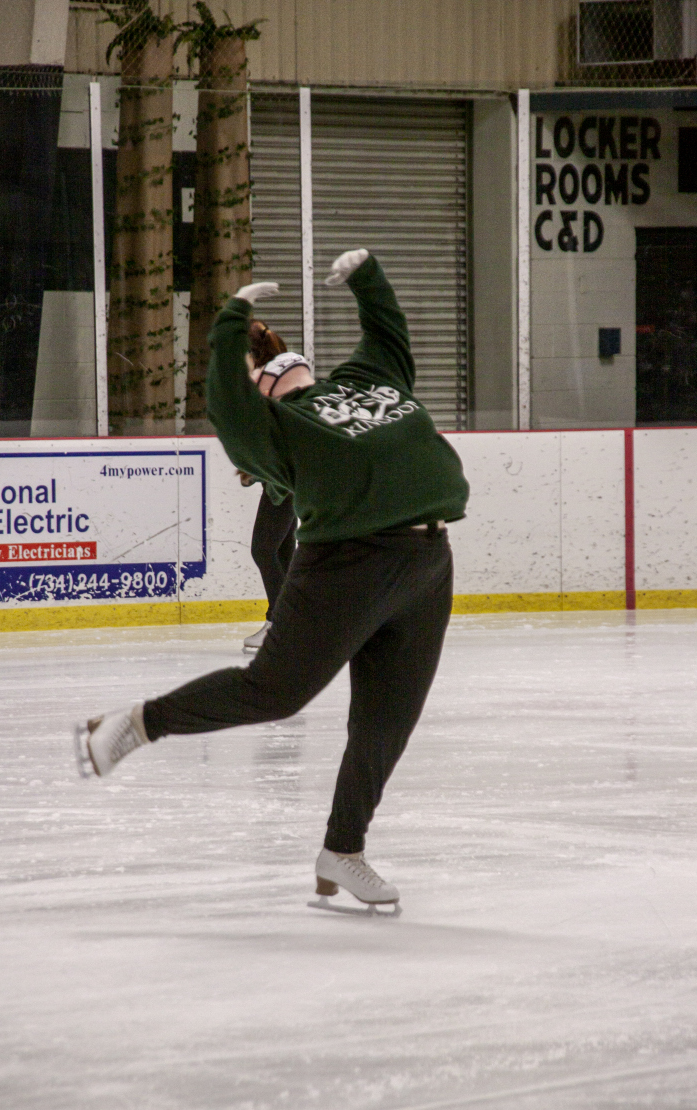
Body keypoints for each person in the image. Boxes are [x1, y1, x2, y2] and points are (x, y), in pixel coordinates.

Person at [75, 249, 469, 913]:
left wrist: (368, 278)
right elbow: (229, 409)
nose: (285, 371)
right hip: (347, 564)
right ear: (263, 394)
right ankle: (138, 724)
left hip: (428, 562)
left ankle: (343, 851)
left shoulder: (366, 378)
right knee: (275, 691)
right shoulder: (281, 431)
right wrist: (231, 322)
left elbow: (388, 334)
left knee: (388, 720)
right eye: (269, 374)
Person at [241, 320, 297, 655]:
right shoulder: (280, 378)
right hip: (291, 477)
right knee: (281, 551)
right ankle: (293, 623)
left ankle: (281, 625)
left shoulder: (266, 384)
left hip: (283, 481)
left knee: (263, 550)